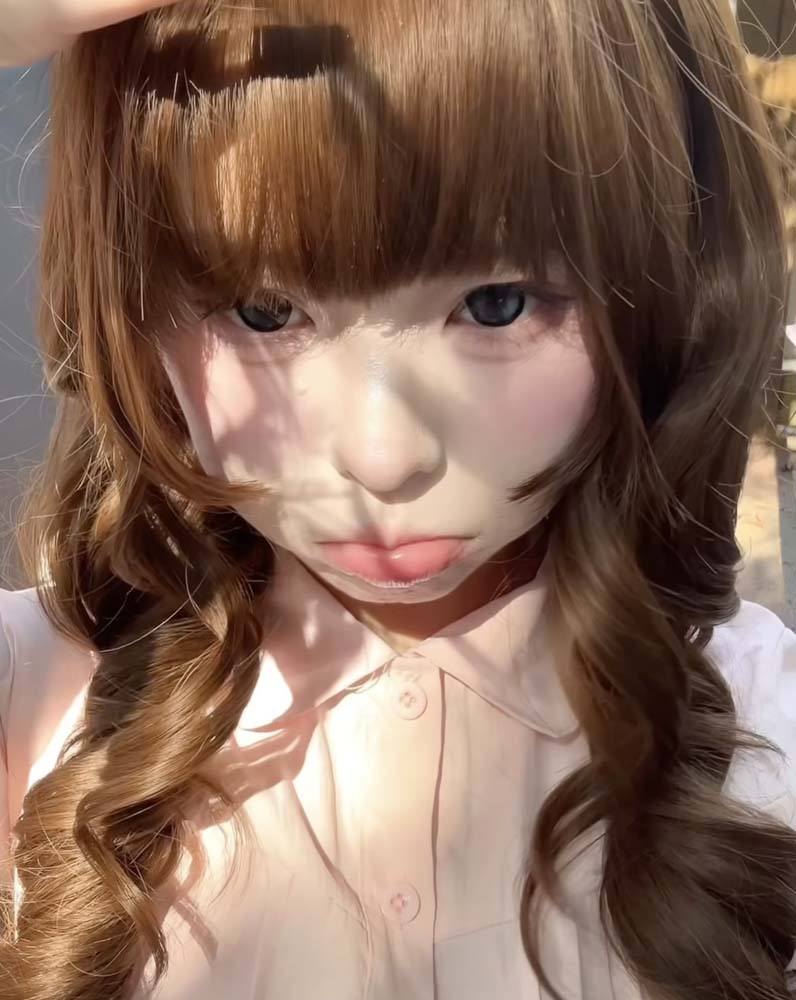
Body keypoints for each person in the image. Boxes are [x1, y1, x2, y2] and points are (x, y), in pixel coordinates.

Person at [0, 1, 794, 998]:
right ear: (132, 294)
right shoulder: (41, 690)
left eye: (498, 303)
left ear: (668, 290)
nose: (382, 459)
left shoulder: (765, 720)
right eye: (264, 311)